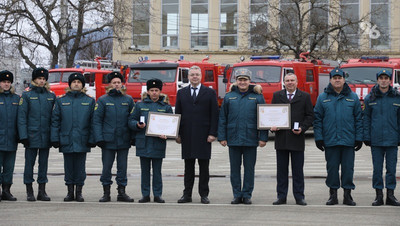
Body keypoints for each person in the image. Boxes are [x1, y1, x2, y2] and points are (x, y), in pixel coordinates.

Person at [218, 68, 268, 205]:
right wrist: (222, 137)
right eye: (240, 79)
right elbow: (223, 118)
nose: (242, 82)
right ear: (236, 81)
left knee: (249, 169)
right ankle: (236, 194)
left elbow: (263, 118)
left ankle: (247, 194)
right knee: (234, 169)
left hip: (251, 138)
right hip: (233, 138)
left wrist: (263, 137)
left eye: (245, 79)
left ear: (249, 81)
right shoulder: (229, 97)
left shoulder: (257, 97)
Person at [314, 68, 363, 206]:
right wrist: (319, 138)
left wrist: (359, 138)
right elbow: (317, 119)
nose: (337, 80)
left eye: (339, 77)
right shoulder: (322, 97)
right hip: (330, 140)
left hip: (348, 141)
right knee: (332, 169)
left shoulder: (352, 97)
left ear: (343, 79)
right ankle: (333, 195)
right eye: (334, 78)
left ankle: (347, 195)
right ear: (330, 80)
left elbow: (359, 119)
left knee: (348, 169)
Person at [175, 65, 219, 204]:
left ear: (201, 77)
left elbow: (214, 115)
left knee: (204, 168)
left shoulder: (210, 93)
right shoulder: (181, 93)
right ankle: (186, 194)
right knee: (188, 167)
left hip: (204, 135)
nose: (194, 77)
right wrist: (177, 134)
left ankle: (204, 194)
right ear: (188, 77)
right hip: (187, 135)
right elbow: (178, 114)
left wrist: (213, 133)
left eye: (197, 75)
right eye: (192, 74)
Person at [50, 73, 96, 202]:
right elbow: (55, 121)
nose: (76, 84)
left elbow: (93, 122)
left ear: (82, 85)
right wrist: (55, 138)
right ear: (69, 84)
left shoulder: (89, 101)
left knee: (80, 168)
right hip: (67, 139)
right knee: (68, 167)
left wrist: (92, 138)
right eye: (74, 81)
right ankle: (70, 192)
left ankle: (79, 192)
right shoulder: (61, 100)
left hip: (82, 139)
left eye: (79, 82)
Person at [270, 73, 314, 206]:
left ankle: (299, 196)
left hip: (297, 139)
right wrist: (272, 127)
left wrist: (303, 128)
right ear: (284, 82)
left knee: (298, 171)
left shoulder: (305, 96)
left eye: (292, 80)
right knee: (281, 171)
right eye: (287, 80)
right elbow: (272, 113)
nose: (290, 83)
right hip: (281, 139)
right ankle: (281, 196)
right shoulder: (277, 96)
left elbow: (310, 116)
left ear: (297, 82)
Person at [93, 71, 135, 202]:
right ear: (110, 84)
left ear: (122, 84)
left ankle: (121, 192)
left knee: (122, 168)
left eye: (118, 82)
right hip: (108, 140)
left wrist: (133, 137)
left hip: (123, 139)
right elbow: (97, 120)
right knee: (106, 168)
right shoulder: (103, 100)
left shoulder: (128, 100)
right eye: (114, 83)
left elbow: (132, 119)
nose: (117, 85)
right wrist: (99, 138)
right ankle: (106, 193)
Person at [129, 79, 173, 203]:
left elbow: (172, 125)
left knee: (157, 171)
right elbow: (131, 120)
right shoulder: (139, 105)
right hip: (143, 142)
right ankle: (145, 194)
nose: (154, 93)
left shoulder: (166, 107)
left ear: (160, 91)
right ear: (147, 91)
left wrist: (167, 135)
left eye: (156, 90)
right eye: (152, 90)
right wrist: (137, 125)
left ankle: (158, 194)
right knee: (145, 171)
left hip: (158, 143)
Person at [363, 69, 400, 206]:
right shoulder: (370, 98)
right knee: (377, 169)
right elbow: (366, 119)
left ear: (390, 80)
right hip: (376, 140)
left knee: (391, 169)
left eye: (386, 78)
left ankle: (390, 195)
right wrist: (366, 137)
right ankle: (378, 195)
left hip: (392, 140)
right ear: (377, 80)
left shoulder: (397, 97)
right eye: (381, 78)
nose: (383, 80)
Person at [18, 67, 56, 202]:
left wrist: (53, 136)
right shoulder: (27, 95)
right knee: (29, 164)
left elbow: (54, 117)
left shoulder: (51, 95)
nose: (42, 81)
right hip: (31, 136)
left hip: (45, 135)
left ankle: (42, 190)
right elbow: (22, 117)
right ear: (34, 79)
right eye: (39, 78)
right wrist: (23, 136)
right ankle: (29, 190)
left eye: (44, 79)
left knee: (43, 164)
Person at [0, 70, 20, 202]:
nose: (6, 84)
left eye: (8, 82)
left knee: (9, 167)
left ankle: (6, 190)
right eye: (3, 82)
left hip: (11, 139)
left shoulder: (17, 99)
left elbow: (20, 119)